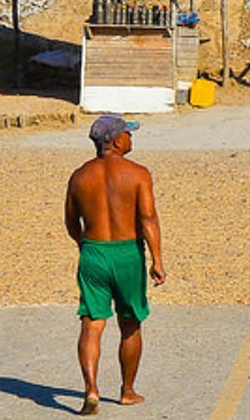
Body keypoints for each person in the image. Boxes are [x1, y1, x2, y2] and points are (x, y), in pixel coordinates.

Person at [65, 114, 166, 414]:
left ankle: (92, 390)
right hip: (127, 254)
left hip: (93, 252)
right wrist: (157, 259)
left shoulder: (80, 176)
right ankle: (127, 390)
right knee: (130, 323)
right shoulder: (138, 174)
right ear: (116, 140)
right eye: (128, 133)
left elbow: (71, 221)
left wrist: (85, 245)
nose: (131, 138)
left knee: (92, 324)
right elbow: (148, 218)